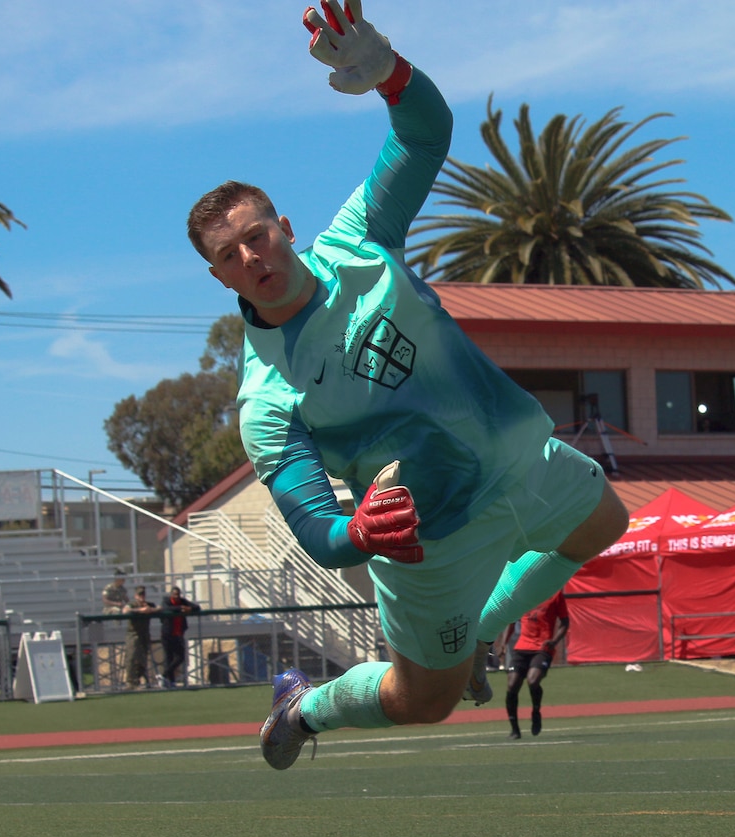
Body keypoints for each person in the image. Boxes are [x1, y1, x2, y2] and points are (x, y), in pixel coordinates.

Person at [206, 5, 627, 769]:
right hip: (427, 539)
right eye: (231, 255)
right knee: (423, 702)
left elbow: (424, 133)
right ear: (219, 275)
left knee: (604, 523)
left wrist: (388, 72)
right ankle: (308, 708)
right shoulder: (267, 398)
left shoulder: (360, 240)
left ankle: (481, 624)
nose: (251, 257)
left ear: (284, 227)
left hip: (518, 461)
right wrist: (360, 536)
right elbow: (313, 527)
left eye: (256, 234)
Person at [504, 592, 568, 739]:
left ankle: (536, 711)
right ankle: (515, 729)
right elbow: (512, 621)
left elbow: (565, 622)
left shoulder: (555, 594)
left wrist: (554, 641)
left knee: (533, 681)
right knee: (512, 685)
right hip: (521, 648)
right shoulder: (524, 592)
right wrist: (503, 644)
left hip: (542, 648)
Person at [160, 585, 201, 688]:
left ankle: (164, 675)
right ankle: (170, 682)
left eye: (178, 594)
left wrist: (189, 608)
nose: (177, 596)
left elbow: (197, 607)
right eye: (174, 594)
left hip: (178, 634)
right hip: (167, 634)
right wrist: (180, 608)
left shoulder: (183, 601)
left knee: (180, 657)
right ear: (171, 595)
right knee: (168, 657)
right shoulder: (166, 601)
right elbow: (166, 608)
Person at [126, 585, 157, 689]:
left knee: (143, 658)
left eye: (143, 594)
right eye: (139, 594)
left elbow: (159, 608)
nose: (142, 596)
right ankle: (130, 682)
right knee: (132, 657)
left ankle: (138, 680)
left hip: (144, 633)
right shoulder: (132, 604)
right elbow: (125, 610)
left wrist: (150, 610)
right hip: (133, 634)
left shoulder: (148, 604)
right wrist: (140, 610)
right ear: (135, 596)